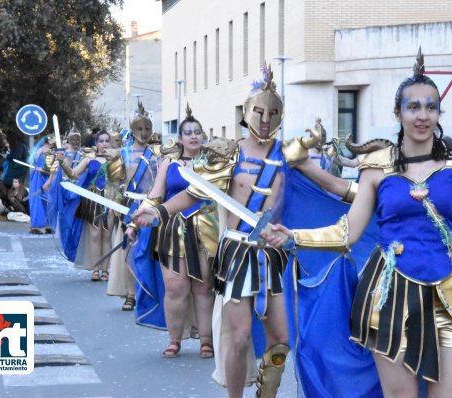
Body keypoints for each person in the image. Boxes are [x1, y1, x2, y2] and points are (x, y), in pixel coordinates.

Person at [262, 50, 452, 397]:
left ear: (439, 111)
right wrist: (293, 236)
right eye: (413, 107)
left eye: (431, 107)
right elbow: (348, 232)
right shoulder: (378, 165)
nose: (423, 116)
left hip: (449, 294)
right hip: (389, 297)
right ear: (398, 113)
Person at [130, 64, 355, 398]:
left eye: (273, 113)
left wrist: (380, 190)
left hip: (275, 255)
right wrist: (158, 211)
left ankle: (266, 393)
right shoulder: (229, 152)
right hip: (237, 254)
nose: (266, 120)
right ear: (247, 112)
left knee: (280, 343)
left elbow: (335, 185)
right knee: (238, 338)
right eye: (260, 112)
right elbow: (195, 192)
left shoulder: (289, 155)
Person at [128, 104, 216, 357]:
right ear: (180, 138)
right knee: (175, 287)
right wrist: (135, 221)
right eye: (188, 132)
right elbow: (155, 195)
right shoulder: (169, 162)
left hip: (207, 230)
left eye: (197, 131)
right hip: (173, 230)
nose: (193, 136)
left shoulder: (214, 162)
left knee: (204, 286)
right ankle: (174, 339)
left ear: (203, 135)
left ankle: (206, 339)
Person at [107, 102, 158, 311]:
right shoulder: (122, 154)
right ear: (133, 129)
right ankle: (130, 294)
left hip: (150, 205)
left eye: (147, 129)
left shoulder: (157, 155)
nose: (143, 133)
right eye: (139, 128)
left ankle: (147, 291)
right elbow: (114, 183)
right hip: (129, 206)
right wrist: (113, 205)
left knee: (148, 251)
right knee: (128, 249)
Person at [57, 131, 123, 282]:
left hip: (110, 200)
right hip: (92, 200)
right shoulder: (88, 159)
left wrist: (116, 201)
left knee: (106, 236)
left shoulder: (116, 159)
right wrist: (62, 162)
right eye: (101, 141)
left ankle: (106, 271)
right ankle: (96, 268)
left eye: (107, 141)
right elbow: (73, 174)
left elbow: (119, 183)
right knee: (94, 236)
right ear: (96, 143)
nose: (104, 143)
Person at [28, 136, 57, 234]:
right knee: (40, 201)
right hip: (40, 178)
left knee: (45, 201)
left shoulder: (42, 151)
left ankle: (45, 225)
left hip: (43, 177)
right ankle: (41, 225)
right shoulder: (44, 151)